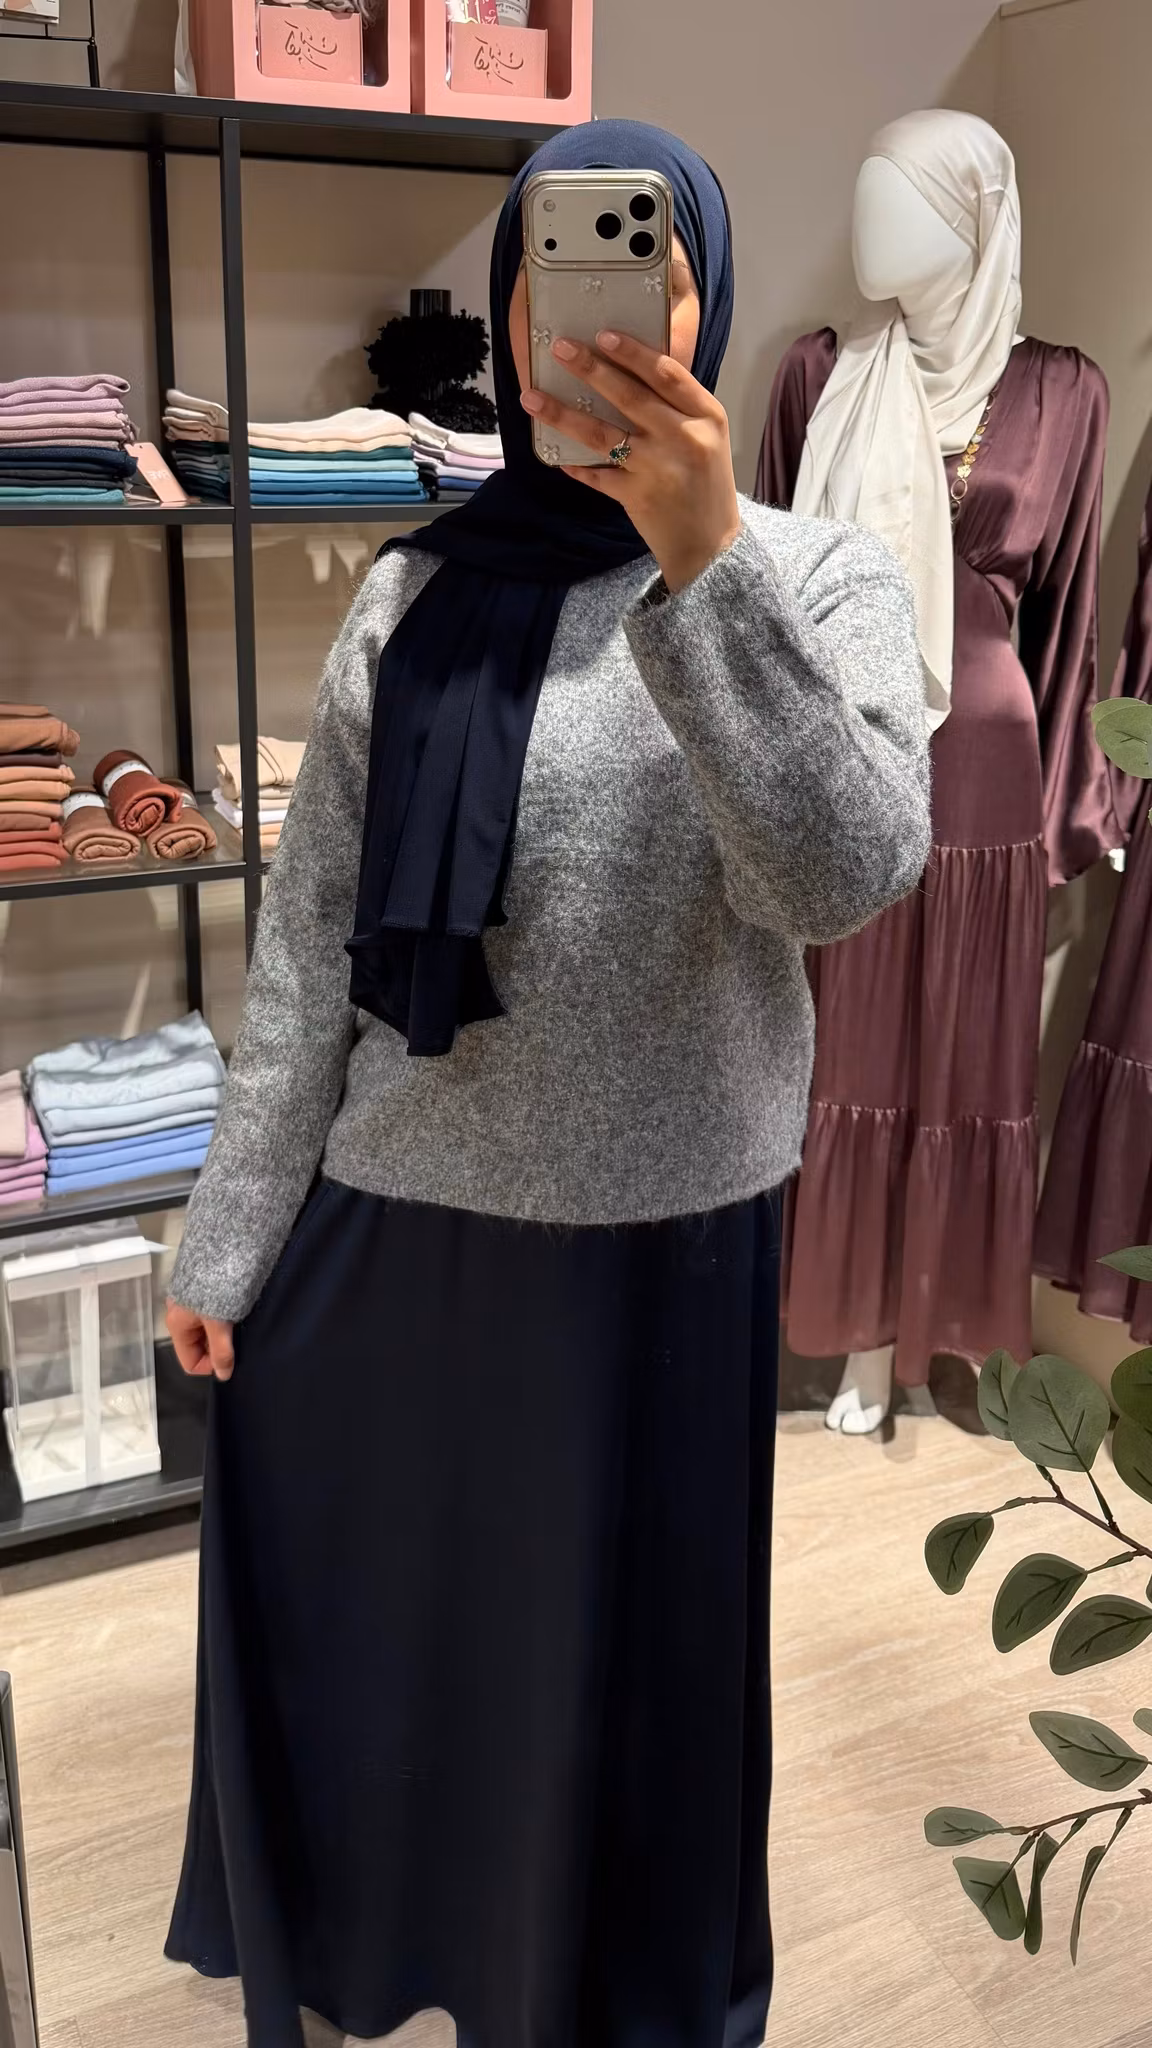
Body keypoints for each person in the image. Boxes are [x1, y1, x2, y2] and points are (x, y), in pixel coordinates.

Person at [164, 120, 930, 2048]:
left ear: (701, 301)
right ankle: (413, 1963)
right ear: (510, 317)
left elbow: (840, 881)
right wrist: (228, 1233)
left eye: (636, 260)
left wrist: (704, 568)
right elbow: (310, 944)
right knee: (419, 1668)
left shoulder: (817, 581)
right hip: (402, 1231)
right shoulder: (414, 593)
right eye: (545, 270)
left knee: (636, 1703)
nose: (581, 311)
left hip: (666, 1247)